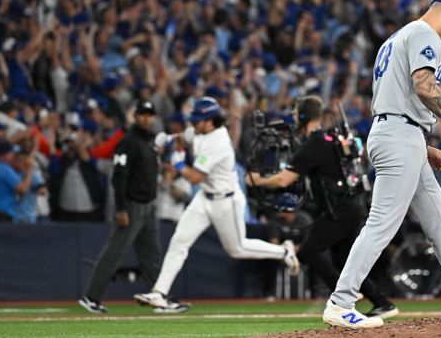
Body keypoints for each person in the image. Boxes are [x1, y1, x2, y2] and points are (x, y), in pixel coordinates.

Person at [322, 0, 441, 329]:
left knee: (438, 217)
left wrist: (421, 147)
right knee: (382, 223)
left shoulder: (397, 38)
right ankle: (341, 302)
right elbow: (424, 87)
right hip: (399, 137)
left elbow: (395, 99)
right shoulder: (425, 34)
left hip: (398, 134)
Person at [133, 97, 299, 313]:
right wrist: (170, 139)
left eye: (198, 120)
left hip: (226, 200)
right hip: (204, 197)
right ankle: (159, 293)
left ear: (210, 121)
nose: (194, 123)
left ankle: (283, 252)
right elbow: (184, 137)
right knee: (179, 241)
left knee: (236, 249)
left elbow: (193, 177)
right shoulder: (201, 130)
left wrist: (178, 160)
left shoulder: (218, 142)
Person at [247, 95, 399, 318]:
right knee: (343, 259)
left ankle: (343, 296)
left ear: (305, 116)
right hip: (352, 205)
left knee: (308, 250)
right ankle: (381, 302)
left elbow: (283, 180)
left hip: (339, 209)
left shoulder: (314, 144)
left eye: (297, 114)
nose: (294, 118)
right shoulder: (331, 137)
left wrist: (257, 180)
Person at [79, 100, 163, 313]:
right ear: (135, 116)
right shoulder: (128, 142)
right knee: (114, 253)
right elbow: (119, 177)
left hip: (149, 206)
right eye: (143, 114)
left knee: (151, 256)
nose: (147, 118)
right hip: (132, 206)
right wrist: (121, 208)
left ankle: (160, 296)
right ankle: (91, 297)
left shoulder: (150, 142)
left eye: (150, 114)